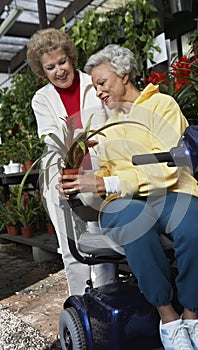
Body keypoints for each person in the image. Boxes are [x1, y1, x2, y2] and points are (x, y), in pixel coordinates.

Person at [58, 44, 198, 350]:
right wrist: (75, 179)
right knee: (135, 223)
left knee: (195, 226)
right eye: (94, 87)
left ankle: (193, 317)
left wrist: (110, 182)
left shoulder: (162, 105)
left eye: (102, 83)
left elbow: (169, 169)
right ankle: (169, 320)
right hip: (124, 202)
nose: (99, 92)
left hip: (173, 192)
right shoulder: (104, 124)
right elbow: (103, 173)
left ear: (124, 74)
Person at [26, 28, 115, 295]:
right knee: (70, 241)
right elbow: (51, 137)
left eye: (62, 62)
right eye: (50, 67)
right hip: (60, 173)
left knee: (102, 234)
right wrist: (82, 136)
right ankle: (80, 299)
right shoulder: (41, 99)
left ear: (71, 58)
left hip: (99, 170)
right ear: (42, 71)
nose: (59, 71)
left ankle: (107, 294)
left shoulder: (94, 82)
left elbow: (109, 124)